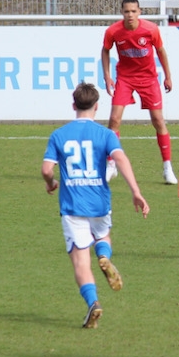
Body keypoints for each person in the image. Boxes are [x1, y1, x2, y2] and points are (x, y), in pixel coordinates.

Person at [42, 82, 150, 328]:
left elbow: (46, 169)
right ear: (97, 106)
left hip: (72, 207)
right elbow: (120, 158)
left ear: (74, 105)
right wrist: (136, 191)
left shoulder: (59, 135)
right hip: (100, 203)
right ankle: (103, 255)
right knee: (103, 235)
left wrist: (51, 182)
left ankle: (93, 303)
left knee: (81, 262)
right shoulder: (106, 135)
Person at [101, 0, 177, 185]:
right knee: (114, 119)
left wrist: (168, 76)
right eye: (127, 11)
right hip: (125, 79)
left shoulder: (151, 29)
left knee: (158, 120)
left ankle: (167, 167)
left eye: (133, 11)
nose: (130, 15)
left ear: (139, 12)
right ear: (122, 12)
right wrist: (107, 76)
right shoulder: (113, 31)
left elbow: (161, 51)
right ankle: (111, 164)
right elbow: (105, 50)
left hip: (148, 79)